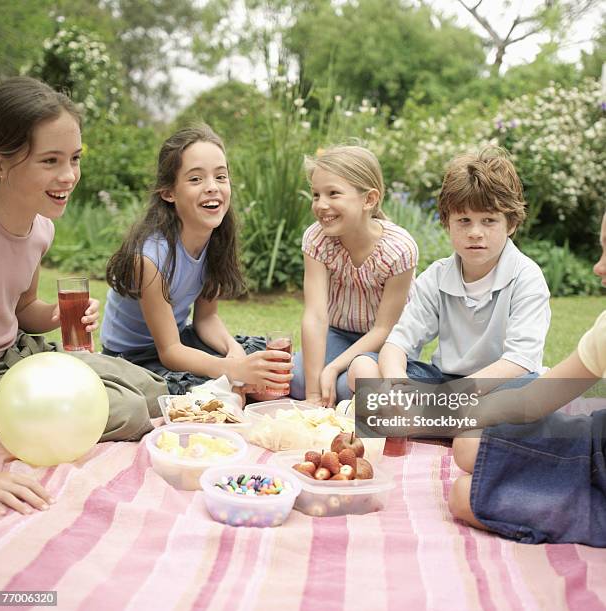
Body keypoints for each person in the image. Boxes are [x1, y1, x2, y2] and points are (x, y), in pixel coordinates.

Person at [0, 76, 168, 517]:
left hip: (20, 352)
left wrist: (55, 315)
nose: (68, 176)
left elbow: (20, 311)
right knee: (129, 411)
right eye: (50, 160)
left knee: (153, 392)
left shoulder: (40, 228)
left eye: (74, 159)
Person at [448, 210, 606, 546]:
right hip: (596, 442)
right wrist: (456, 406)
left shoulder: (525, 277)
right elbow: (535, 399)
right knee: (468, 441)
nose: (598, 267)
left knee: (464, 497)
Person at [100, 125, 292, 396]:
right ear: (168, 192)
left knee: (274, 371)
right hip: (135, 359)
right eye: (195, 179)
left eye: (220, 177)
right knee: (226, 391)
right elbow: (170, 352)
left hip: (179, 341)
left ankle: (241, 390)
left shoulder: (214, 239)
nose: (212, 187)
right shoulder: (149, 259)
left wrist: (232, 351)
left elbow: (206, 319)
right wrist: (232, 371)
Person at [348, 146, 551, 397]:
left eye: (489, 220)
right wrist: (397, 383)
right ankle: (429, 416)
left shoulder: (526, 277)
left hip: (499, 383)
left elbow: (519, 361)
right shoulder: (437, 276)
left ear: (510, 224)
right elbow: (398, 343)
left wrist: (456, 394)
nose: (475, 232)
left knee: (530, 389)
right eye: (464, 220)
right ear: (447, 223)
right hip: (445, 381)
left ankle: (419, 418)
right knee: (363, 366)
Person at [290, 145, 418, 407]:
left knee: (346, 385)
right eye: (316, 195)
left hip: (386, 340)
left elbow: (385, 328)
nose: (321, 205)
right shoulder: (317, 240)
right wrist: (313, 395)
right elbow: (315, 317)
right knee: (298, 381)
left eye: (333, 193)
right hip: (338, 332)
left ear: (369, 199)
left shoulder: (399, 249)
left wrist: (333, 367)